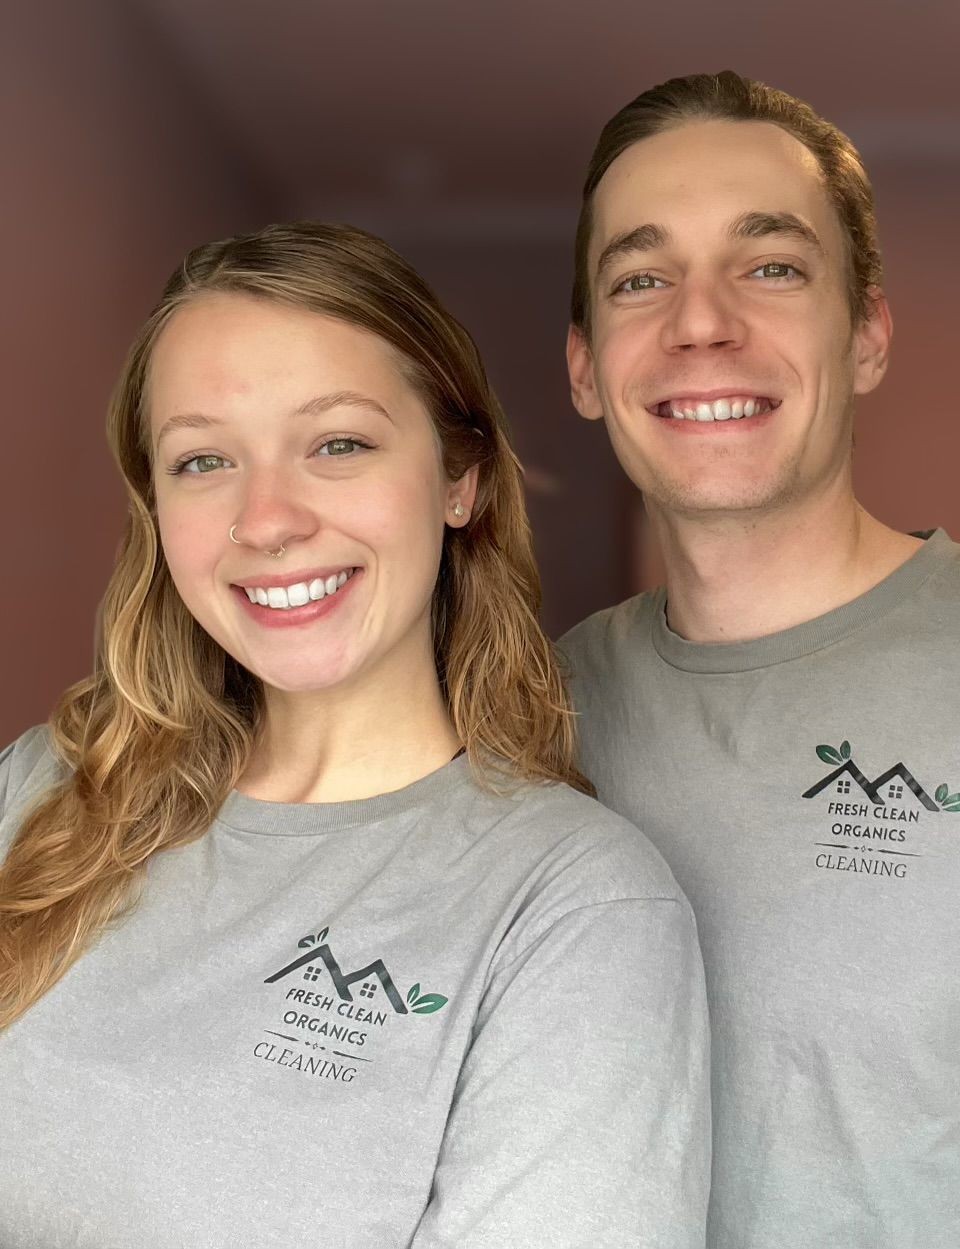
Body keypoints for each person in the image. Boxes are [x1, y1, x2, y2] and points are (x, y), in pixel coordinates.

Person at [0, 222, 710, 1248]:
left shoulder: (574, 909)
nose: (269, 518)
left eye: (338, 442)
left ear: (459, 478)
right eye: (203, 459)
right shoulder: (43, 790)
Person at [559, 71, 960, 1248]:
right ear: (584, 370)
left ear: (867, 334)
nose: (700, 320)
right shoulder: (527, 710)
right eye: (641, 277)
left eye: (770, 265)